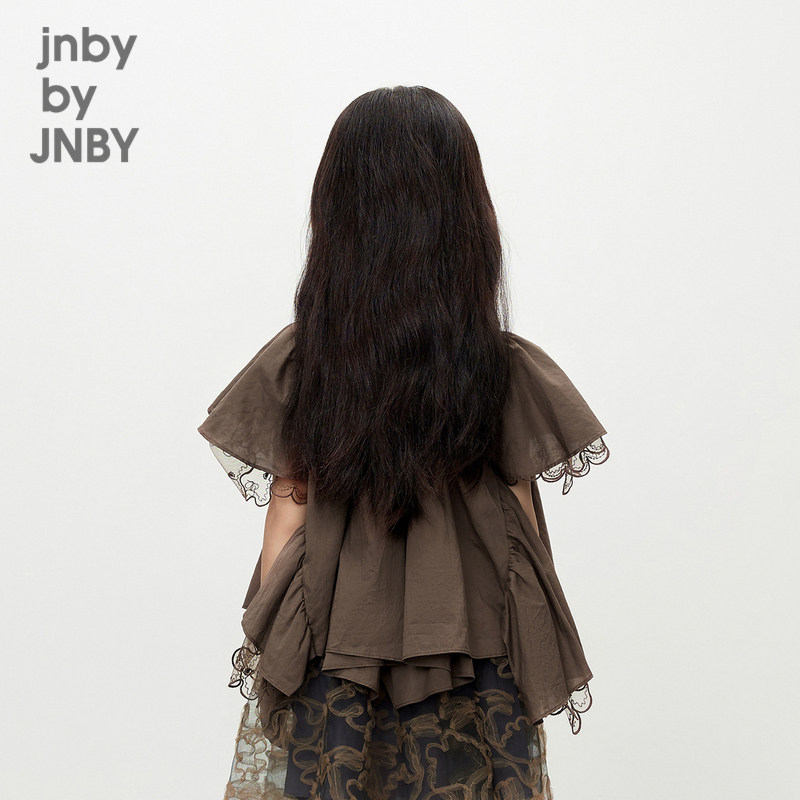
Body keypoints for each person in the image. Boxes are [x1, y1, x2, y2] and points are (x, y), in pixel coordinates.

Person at [197, 85, 610, 800]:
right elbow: (521, 526)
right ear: (465, 217)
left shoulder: (306, 362)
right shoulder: (497, 365)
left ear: (338, 215)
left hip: (337, 636)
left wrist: (273, 640)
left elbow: (288, 511)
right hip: (473, 640)